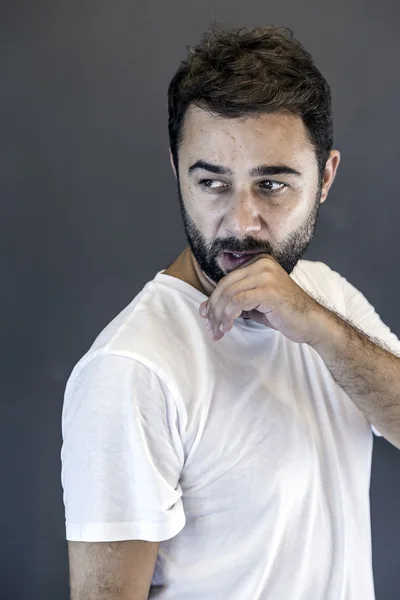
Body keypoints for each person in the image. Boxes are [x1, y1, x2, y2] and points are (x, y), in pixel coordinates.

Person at [61, 23, 400, 600]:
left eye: (272, 185)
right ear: (177, 171)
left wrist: (318, 328)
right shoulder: (131, 370)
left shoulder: (324, 295)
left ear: (326, 177)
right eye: (213, 183)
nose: (242, 222)